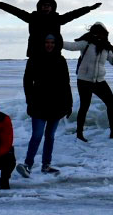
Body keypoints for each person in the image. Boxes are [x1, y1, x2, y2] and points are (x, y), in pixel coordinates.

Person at [63, 22, 113, 141]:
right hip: (84, 80)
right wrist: (55, 39)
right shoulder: (86, 43)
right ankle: (79, 134)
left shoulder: (106, 47)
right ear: (92, 32)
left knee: (111, 103)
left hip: (99, 81)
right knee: (84, 107)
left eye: (101, 33)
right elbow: (71, 46)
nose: (98, 35)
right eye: (96, 32)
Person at [0, 0, 103, 59]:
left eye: (49, 5)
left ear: (52, 7)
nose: (46, 7)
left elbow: (73, 14)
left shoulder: (58, 19)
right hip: (35, 56)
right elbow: (16, 11)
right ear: (40, 6)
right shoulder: (33, 17)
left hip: (53, 56)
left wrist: (89, 8)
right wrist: (0, 4)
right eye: (44, 5)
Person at [21, 34, 74, 174]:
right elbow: (27, 81)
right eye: (47, 42)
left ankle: (46, 165)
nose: (49, 45)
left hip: (56, 103)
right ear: (42, 43)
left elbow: (66, 83)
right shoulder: (34, 59)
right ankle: (28, 165)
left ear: (56, 44)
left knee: (50, 136)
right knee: (37, 135)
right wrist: (29, 99)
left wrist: (69, 103)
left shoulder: (61, 60)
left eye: (52, 42)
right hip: (38, 103)